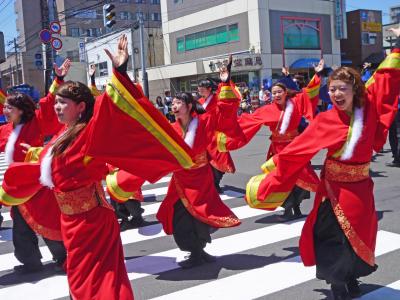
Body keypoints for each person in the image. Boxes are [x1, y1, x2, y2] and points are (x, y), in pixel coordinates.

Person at [0, 35, 195, 300]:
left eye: (63, 103)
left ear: (80, 107)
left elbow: (111, 104)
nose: (57, 107)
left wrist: (120, 70)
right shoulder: (64, 133)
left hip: (93, 222)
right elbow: (57, 158)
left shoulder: (90, 131)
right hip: (71, 221)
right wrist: (35, 153)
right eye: (56, 102)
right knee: (81, 282)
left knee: (98, 283)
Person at [245, 27, 400, 300]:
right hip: (334, 191)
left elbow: (386, 79)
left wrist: (398, 46)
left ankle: (350, 277)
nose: (336, 94)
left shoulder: (369, 108)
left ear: (355, 89)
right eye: (332, 89)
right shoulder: (327, 120)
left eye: (342, 88)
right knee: (333, 238)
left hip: (362, 188)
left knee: (359, 237)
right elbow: (298, 151)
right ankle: (337, 284)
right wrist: (272, 171)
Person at [156, 59, 243, 269]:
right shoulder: (170, 128)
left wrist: (225, 82)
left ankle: (200, 250)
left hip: (201, 178)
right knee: (181, 217)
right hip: (180, 181)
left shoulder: (204, 123)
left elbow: (225, 111)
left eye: (178, 103)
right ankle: (194, 251)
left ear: (188, 106)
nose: (174, 106)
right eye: (173, 103)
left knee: (202, 216)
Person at [220, 59, 324, 221]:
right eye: (273, 93)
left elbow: (309, 92)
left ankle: (294, 208)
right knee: (281, 180)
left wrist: (317, 74)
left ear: (286, 93)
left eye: (279, 92)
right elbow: (246, 122)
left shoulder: (296, 103)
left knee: (298, 179)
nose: (275, 95)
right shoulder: (267, 110)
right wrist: (226, 83)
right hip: (278, 151)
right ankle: (289, 209)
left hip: (296, 149)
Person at [0, 61, 70, 274]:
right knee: (21, 228)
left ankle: (63, 257)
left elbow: (49, 103)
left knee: (46, 223)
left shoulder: (36, 121)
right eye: (4, 107)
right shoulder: (4, 130)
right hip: (18, 187)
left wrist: (58, 79)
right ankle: (30, 262)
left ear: (21, 110)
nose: (5, 110)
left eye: (9, 107)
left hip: (37, 183)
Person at [197, 75, 238, 193]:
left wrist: (224, 81)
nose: (199, 90)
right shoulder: (199, 102)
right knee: (206, 162)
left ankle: (215, 182)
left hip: (217, 135)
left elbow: (229, 98)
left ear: (209, 89)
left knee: (222, 160)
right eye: (199, 88)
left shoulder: (217, 99)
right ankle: (212, 184)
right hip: (204, 136)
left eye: (202, 87)